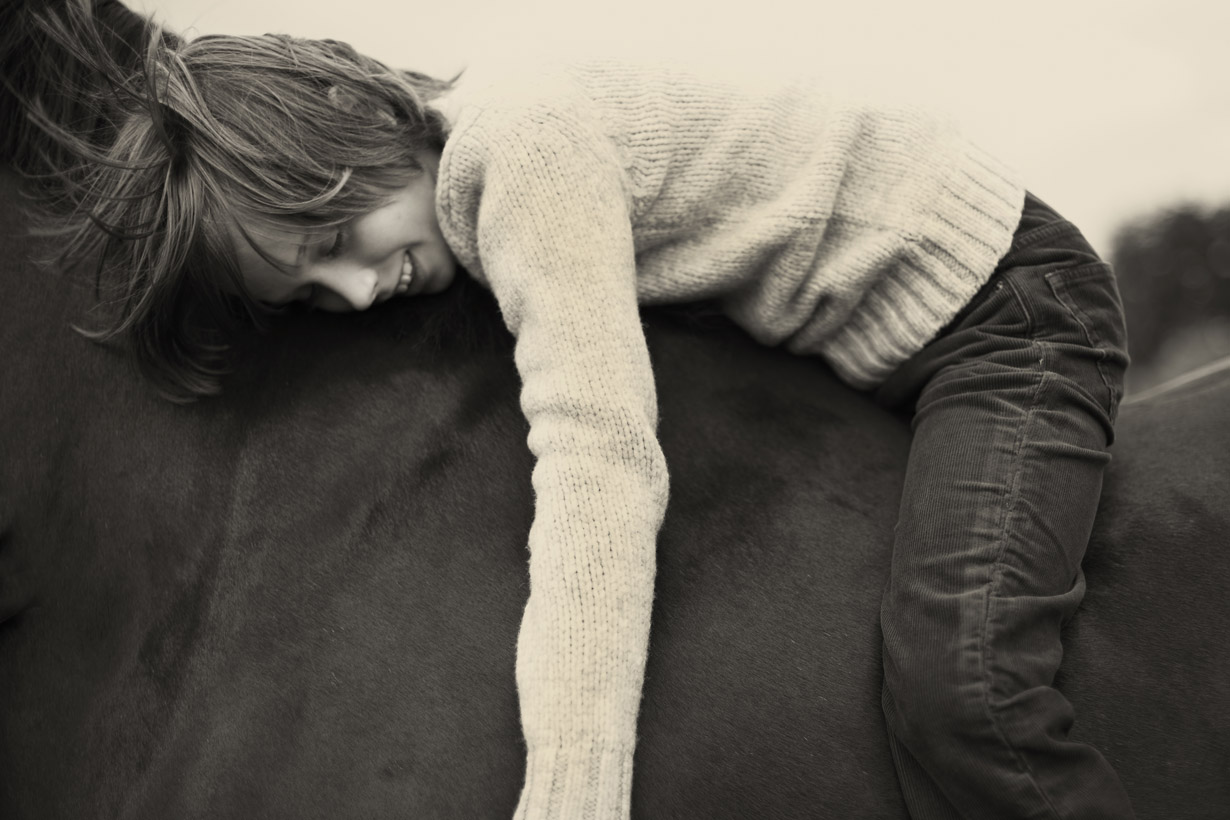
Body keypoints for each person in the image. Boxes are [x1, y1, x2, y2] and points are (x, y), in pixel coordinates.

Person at [9, 2, 1134, 818]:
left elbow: (601, 457)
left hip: (1005, 310)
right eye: (309, 295)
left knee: (963, 693)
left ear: (352, 121)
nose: (355, 292)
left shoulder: (521, 154)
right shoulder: (460, 178)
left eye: (333, 241)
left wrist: (573, 787)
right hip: (883, 345)